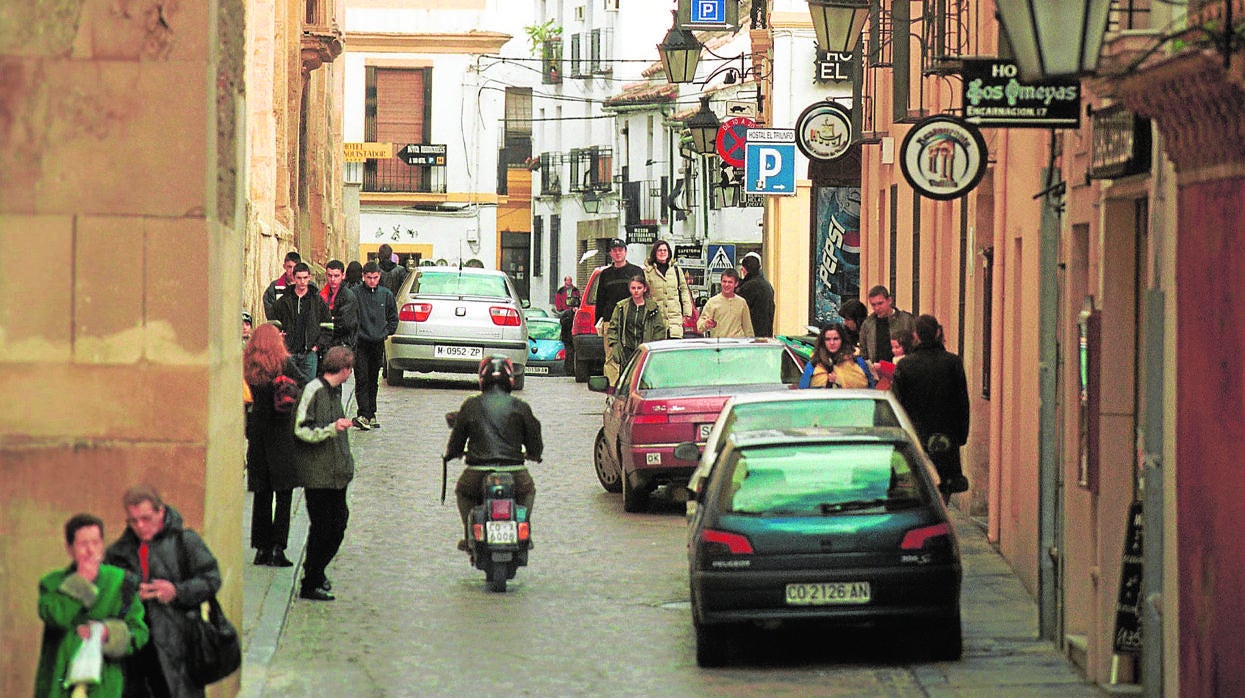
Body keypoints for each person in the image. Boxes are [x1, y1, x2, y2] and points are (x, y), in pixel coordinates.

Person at [104, 485, 223, 698]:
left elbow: (211, 579)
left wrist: (176, 591)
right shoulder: (118, 552)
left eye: (146, 518)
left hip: (179, 648)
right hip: (137, 654)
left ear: (160, 512)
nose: (140, 526)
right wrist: (129, 596)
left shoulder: (186, 542)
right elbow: (105, 594)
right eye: (133, 520)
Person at [36, 513, 148, 698]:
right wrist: (81, 583)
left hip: (105, 684)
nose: (90, 550)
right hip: (61, 681)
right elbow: (56, 617)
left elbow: (139, 633)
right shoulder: (52, 583)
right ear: (70, 549)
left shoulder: (121, 582)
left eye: (96, 543)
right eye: (83, 544)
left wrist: (108, 633)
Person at [444, 356, 543, 550]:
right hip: (514, 470)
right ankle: (523, 529)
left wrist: (452, 454)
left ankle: (470, 533)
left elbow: (456, 441)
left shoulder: (470, 405)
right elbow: (534, 440)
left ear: (482, 379)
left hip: (477, 470)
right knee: (527, 491)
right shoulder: (521, 407)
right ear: (510, 380)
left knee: (464, 492)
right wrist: (534, 454)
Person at [292, 346, 357, 601]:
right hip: (318, 475)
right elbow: (301, 429)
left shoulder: (332, 393)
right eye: (349, 369)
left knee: (337, 525)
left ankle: (316, 572)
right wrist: (331, 429)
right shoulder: (314, 391)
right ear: (343, 370)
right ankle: (311, 580)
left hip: (336, 474)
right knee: (322, 528)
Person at [891, 314, 971, 501]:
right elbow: (962, 402)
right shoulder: (952, 362)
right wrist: (961, 434)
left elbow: (898, 402)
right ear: (937, 333)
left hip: (915, 432)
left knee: (918, 478)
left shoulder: (906, 365)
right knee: (945, 480)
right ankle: (942, 511)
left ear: (915, 336)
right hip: (946, 433)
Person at [243, 323, 302, 567]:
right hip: (282, 434)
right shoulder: (283, 364)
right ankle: (278, 547)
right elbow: (305, 382)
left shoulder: (248, 368)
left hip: (257, 435)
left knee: (262, 493)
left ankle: (261, 548)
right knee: (284, 494)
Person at [350, 261, 398, 430]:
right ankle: (363, 412)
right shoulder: (355, 293)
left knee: (373, 379)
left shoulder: (386, 295)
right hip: (361, 342)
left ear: (379, 277)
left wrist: (386, 332)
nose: (372, 281)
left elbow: (393, 317)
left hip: (378, 342)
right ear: (363, 276)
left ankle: (371, 413)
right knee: (361, 378)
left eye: (375, 278)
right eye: (369, 278)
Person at [270, 262, 331, 382]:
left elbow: (328, 326)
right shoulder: (284, 300)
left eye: (305, 278)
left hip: (309, 353)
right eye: (299, 278)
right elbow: (273, 322)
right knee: (288, 388)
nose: (302, 282)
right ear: (293, 277)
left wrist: (317, 346)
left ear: (309, 277)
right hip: (288, 352)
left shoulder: (317, 300)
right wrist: (278, 336)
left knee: (308, 389)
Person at [594, 238, 643, 384]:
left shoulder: (636, 272)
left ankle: (631, 389)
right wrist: (599, 321)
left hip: (632, 321)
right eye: (614, 250)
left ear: (625, 252)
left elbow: (643, 296)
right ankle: (612, 391)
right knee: (611, 358)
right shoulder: (605, 274)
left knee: (634, 356)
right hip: (611, 322)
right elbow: (600, 299)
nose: (617, 253)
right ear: (610, 253)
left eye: (620, 250)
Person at [607, 275, 667, 372]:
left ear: (644, 289)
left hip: (645, 350)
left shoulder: (653, 308)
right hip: (626, 350)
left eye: (639, 288)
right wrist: (615, 345)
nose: (636, 291)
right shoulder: (622, 307)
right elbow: (613, 327)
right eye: (633, 288)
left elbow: (659, 329)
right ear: (629, 289)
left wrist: (654, 347)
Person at [798, 323, 876, 389]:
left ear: (842, 340)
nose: (832, 343)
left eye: (836, 339)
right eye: (828, 339)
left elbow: (871, 388)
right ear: (823, 341)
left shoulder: (857, 361)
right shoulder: (813, 365)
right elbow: (803, 393)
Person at [643, 240, 694, 339]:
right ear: (655, 253)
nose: (662, 252)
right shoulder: (648, 272)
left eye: (665, 250)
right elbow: (645, 295)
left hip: (674, 320)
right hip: (656, 320)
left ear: (669, 253)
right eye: (660, 250)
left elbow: (684, 290)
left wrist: (687, 312)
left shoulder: (676, 271)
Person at [858, 285, 916, 362]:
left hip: (904, 367)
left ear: (889, 300)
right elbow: (864, 351)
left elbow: (915, 345)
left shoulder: (906, 320)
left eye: (880, 303)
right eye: (873, 305)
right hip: (877, 369)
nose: (877, 308)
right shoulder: (868, 324)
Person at [697, 269, 754, 338]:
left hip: (737, 345)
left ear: (736, 284)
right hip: (719, 345)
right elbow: (699, 326)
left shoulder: (742, 303)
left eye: (730, 282)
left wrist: (750, 343)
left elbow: (748, 327)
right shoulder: (712, 302)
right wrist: (706, 324)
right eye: (724, 281)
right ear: (721, 282)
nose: (726, 285)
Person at [263, 251, 317, 320]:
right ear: (284, 266)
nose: (292, 270)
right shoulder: (274, 287)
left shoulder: (311, 287)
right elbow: (270, 313)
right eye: (289, 267)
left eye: (295, 267)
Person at [320, 259, 359, 352]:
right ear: (326, 275)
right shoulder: (321, 295)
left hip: (343, 344)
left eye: (336, 276)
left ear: (343, 276)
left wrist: (327, 323)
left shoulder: (348, 296)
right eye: (330, 276)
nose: (333, 279)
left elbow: (345, 324)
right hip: (325, 344)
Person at [737, 251, 775, 337]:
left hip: (752, 337)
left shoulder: (749, 287)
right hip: (766, 335)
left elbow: (739, 312)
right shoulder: (767, 285)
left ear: (744, 269)